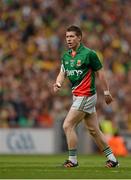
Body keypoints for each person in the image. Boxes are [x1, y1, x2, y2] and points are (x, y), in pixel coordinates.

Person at [53, 25, 119, 168]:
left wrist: (106, 92)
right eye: (67, 37)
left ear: (79, 38)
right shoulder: (66, 56)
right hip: (77, 96)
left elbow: (100, 73)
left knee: (67, 125)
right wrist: (58, 83)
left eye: (72, 36)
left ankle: (73, 160)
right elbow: (62, 72)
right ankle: (112, 159)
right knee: (94, 130)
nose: (69, 39)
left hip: (86, 95)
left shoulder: (89, 54)